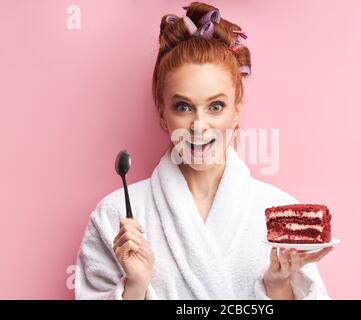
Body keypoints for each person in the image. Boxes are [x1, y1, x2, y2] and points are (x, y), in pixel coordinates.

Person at [75, 1, 333, 300]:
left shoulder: (278, 214)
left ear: (236, 110)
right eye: (183, 107)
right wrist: (135, 288)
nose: (199, 126)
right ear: (162, 113)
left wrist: (279, 288)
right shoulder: (116, 216)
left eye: (216, 106)